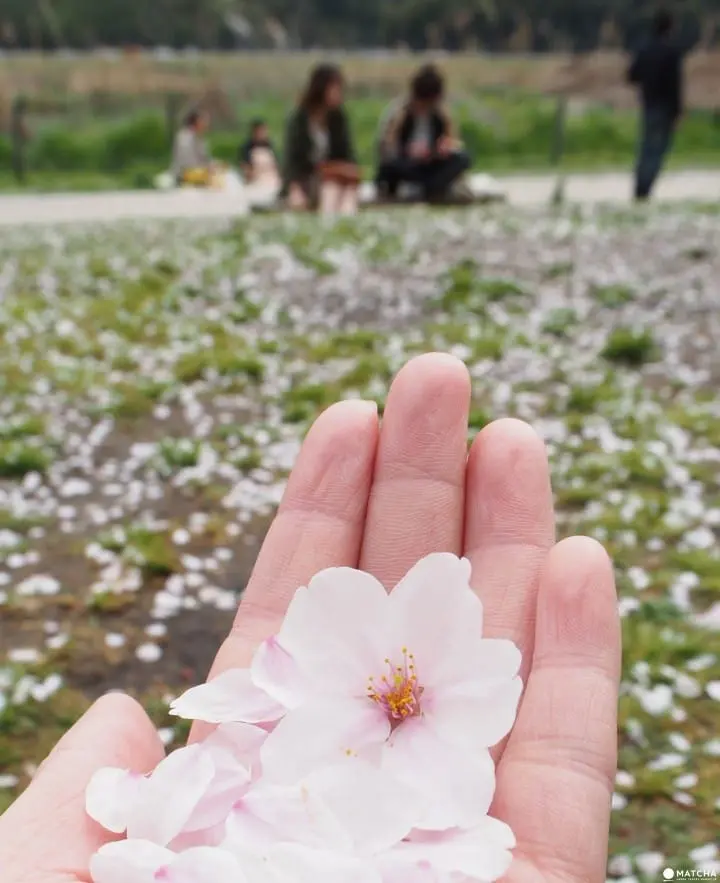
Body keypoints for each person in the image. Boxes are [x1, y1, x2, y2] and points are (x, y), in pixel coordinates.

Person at [0, 353, 619, 883]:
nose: (397, 693)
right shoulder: (319, 739)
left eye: (400, 691)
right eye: (395, 690)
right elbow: (296, 762)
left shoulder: (431, 713)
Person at [376, 65, 471, 203]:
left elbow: (454, 143)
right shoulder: (400, 112)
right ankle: (430, 187)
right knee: (390, 167)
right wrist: (408, 151)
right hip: (406, 164)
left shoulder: (440, 114)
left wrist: (442, 148)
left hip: (431, 163)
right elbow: (386, 150)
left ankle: (433, 187)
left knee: (462, 158)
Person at [283, 63, 360, 215]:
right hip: (307, 178)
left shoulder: (338, 118)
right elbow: (292, 160)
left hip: (334, 174)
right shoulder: (300, 119)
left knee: (344, 189)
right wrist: (294, 188)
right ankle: (332, 218)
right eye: (335, 89)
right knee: (330, 188)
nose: (339, 94)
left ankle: (345, 219)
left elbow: (347, 154)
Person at [627, 9, 685, 201]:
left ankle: (639, 187)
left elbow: (632, 76)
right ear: (670, 27)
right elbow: (675, 85)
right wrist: (678, 112)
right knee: (659, 150)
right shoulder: (672, 52)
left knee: (645, 148)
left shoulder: (644, 49)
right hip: (666, 108)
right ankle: (646, 188)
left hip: (648, 105)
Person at [171, 109, 215, 187]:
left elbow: (205, 158)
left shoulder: (199, 138)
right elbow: (188, 163)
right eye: (203, 121)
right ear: (196, 122)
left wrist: (211, 165)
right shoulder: (185, 137)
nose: (206, 124)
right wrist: (206, 169)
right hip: (186, 178)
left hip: (196, 175)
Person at [238, 119, 280, 189]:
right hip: (255, 182)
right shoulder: (247, 147)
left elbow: (276, 164)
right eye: (260, 131)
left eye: (264, 131)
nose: (262, 134)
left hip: (272, 180)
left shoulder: (269, 145)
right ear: (254, 132)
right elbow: (244, 166)